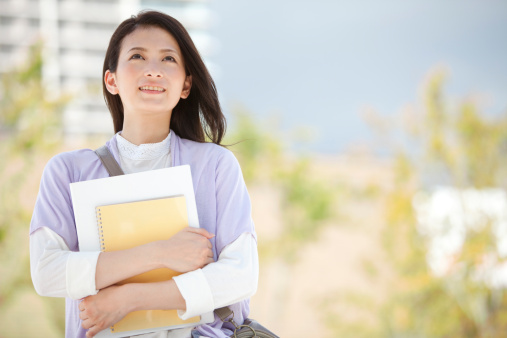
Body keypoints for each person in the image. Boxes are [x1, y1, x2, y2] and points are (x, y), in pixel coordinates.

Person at [29, 11, 258, 338]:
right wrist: (160, 253)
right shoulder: (68, 173)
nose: (153, 69)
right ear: (112, 80)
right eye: (137, 56)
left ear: (185, 85)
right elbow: (46, 272)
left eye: (168, 59)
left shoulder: (216, 166)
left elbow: (241, 275)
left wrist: (129, 298)